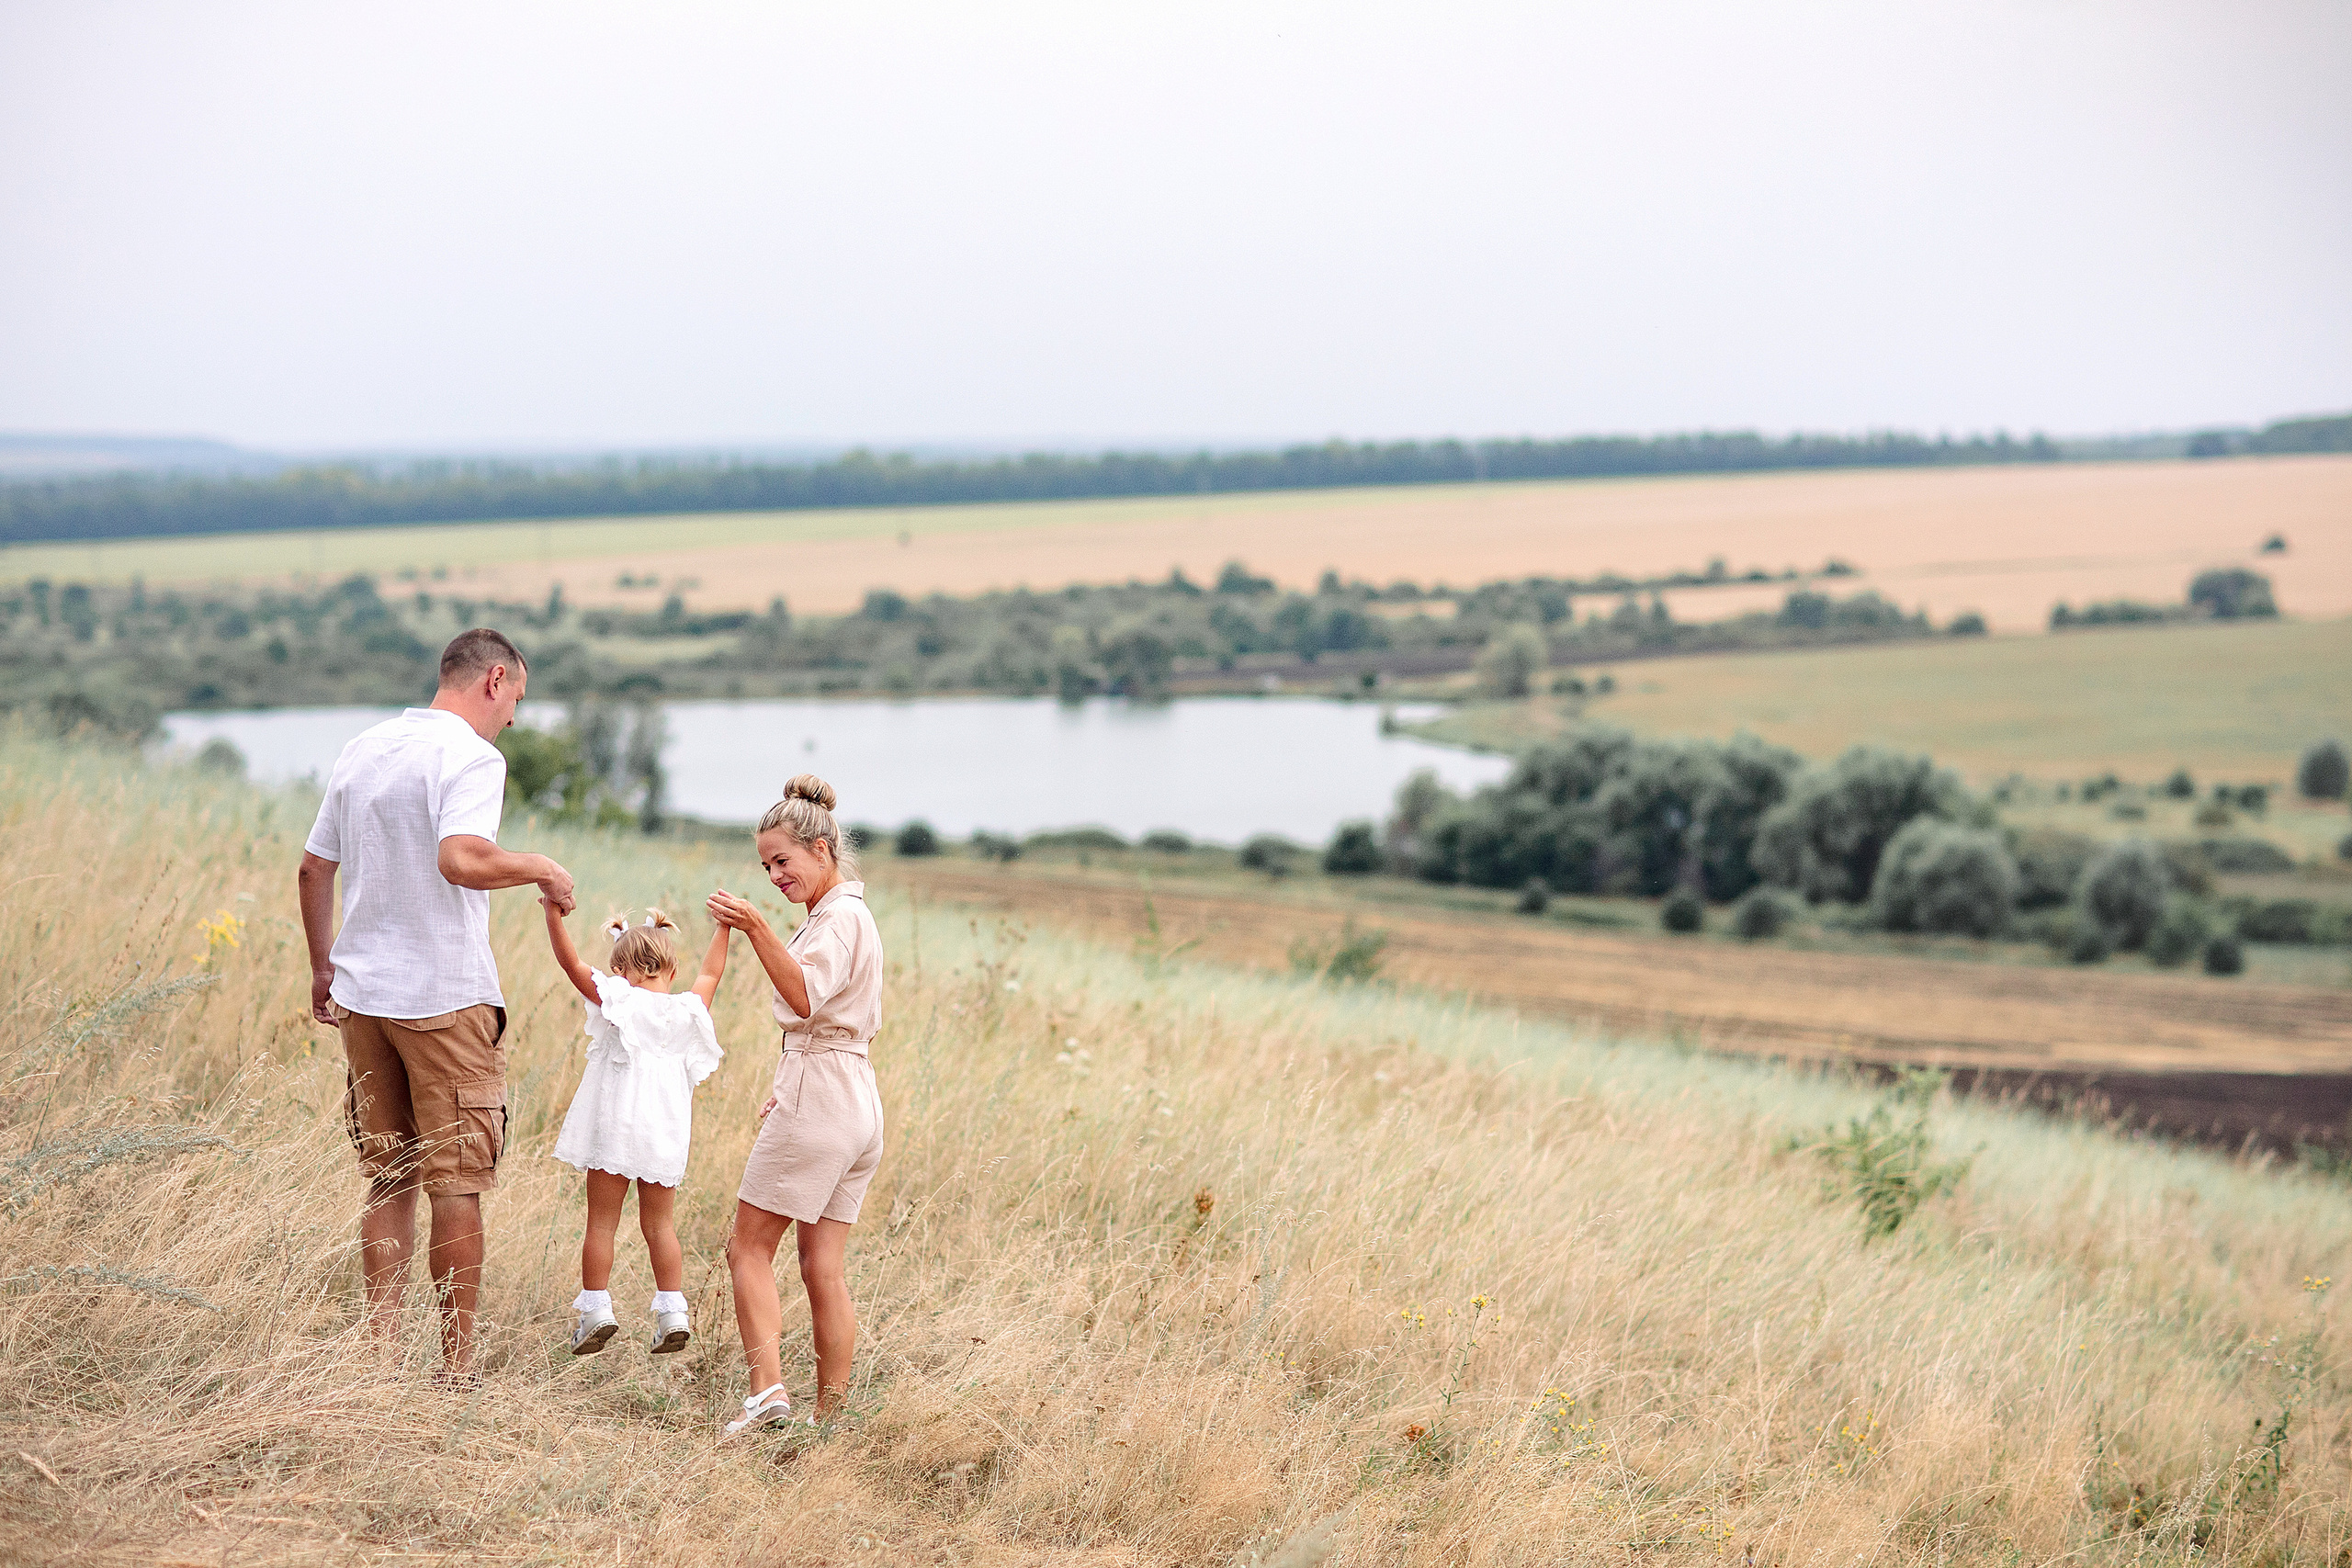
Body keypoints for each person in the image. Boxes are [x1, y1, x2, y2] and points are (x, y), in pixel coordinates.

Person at [296, 628, 575, 1379]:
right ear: (492, 679)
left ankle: (381, 1357)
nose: (513, 716)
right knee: (457, 1180)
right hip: (444, 998)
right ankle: (456, 1369)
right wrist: (541, 867)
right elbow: (461, 858)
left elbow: (314, 867)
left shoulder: (365, 747)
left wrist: (324, 968)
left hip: (363, 998)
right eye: (516, 696)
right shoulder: (475, 757)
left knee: (389, 1176)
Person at [706, 773, 884, 1433]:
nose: (775, 875)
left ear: (822, 849)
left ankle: (767, 1394)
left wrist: (754, 925)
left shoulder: (838, 919)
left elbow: (806, 998)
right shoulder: (846, 916)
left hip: (825, 1096)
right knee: (821, 1265)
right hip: (856, 1098)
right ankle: (828, 1419)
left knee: (746, 1248)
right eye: (766, 866)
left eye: (783, 860)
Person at [539, 905, 729, 1357]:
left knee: (601, 1222)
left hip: (615, 1134)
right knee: (660, 1225)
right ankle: (672, 1313)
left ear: (619, 970)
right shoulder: (688, 1010)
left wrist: (553, 915)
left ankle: (596, 1312)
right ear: (672, 968)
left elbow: (570, 963)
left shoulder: (617, 1000)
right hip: (664, 1136)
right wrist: (724, 928)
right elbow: (711, 973)